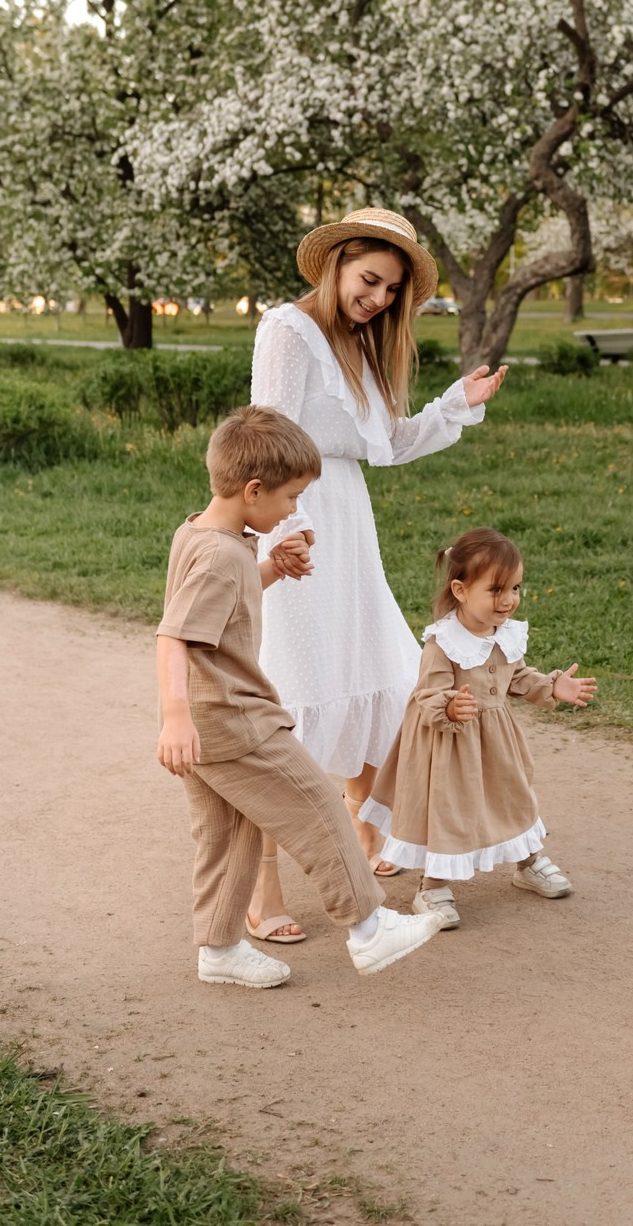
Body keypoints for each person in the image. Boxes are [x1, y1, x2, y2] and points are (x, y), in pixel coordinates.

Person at [247, 207, 508, 944]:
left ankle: (365, 827)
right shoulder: (287, 329)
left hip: (348, 521)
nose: (379, 298)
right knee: (293, 691)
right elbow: (267, 435)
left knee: (368, 669)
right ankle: (261, 884)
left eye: (392, 290)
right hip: (296, 516)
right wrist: (285, 533)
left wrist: (455, 407)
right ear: (337, 264)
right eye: (370, 280)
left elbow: (387, 443)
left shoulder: (360, 344)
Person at [155, 404, 443, 984]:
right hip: (234, 717)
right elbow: (173, 635)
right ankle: (368, 929)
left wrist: (271, 570)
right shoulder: (220, 556)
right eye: (291, 498)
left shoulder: (203, 534)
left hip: (212, 721)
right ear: (253, 490)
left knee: (227, 835)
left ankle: (219, 950)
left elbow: (224, 598)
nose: (293, 510)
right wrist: (175, 716)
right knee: (318, 806)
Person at [358, 528, 596, 930]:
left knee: (513, 796)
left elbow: (516, 676)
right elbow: (427, 695)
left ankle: (528, 862)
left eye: (515, 588)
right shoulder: (442, 642)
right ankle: (433, 886)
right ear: (461, 590)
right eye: (496, 589)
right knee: (449, 811)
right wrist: (450, 706)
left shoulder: (506, 633)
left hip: (497, 743)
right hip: (449, 747)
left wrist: (552, 685)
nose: (508, 599)